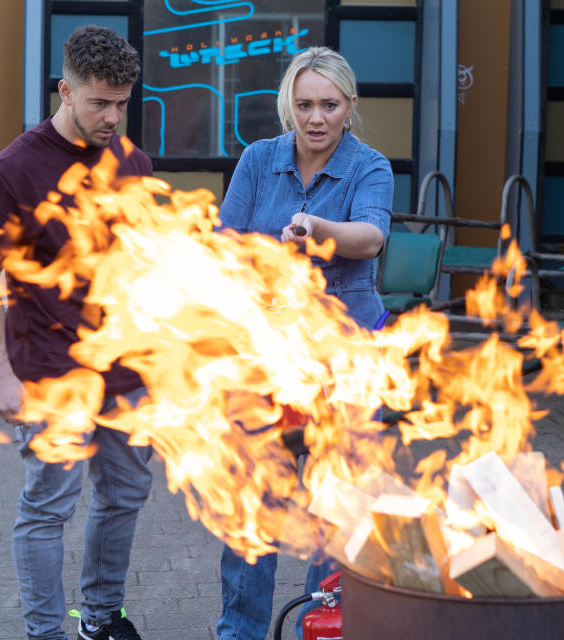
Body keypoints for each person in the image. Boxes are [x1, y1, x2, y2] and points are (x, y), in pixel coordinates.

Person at [0, 25, 154, 640]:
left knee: (124, 495)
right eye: (101, 101)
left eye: (123, 102)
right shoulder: (10, 171)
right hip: (48, 370)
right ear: (64, 90)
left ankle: (99, 618)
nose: (113, 116)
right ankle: (47, 632)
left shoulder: (133, 163)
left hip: (124, 367)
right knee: (49, 508)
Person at [216, 46, 393, 640]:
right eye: (305, 104)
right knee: (252, 506)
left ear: (349, 106)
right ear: (288, 105)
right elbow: (226, 244)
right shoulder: (259, 160)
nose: (316, 118)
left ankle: (325, 630)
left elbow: (369, 237)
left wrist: (317, 228)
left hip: (344, 360)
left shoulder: (370, 166)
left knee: (335, 511)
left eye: (330, 105)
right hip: (265, 360)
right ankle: (239, 632)